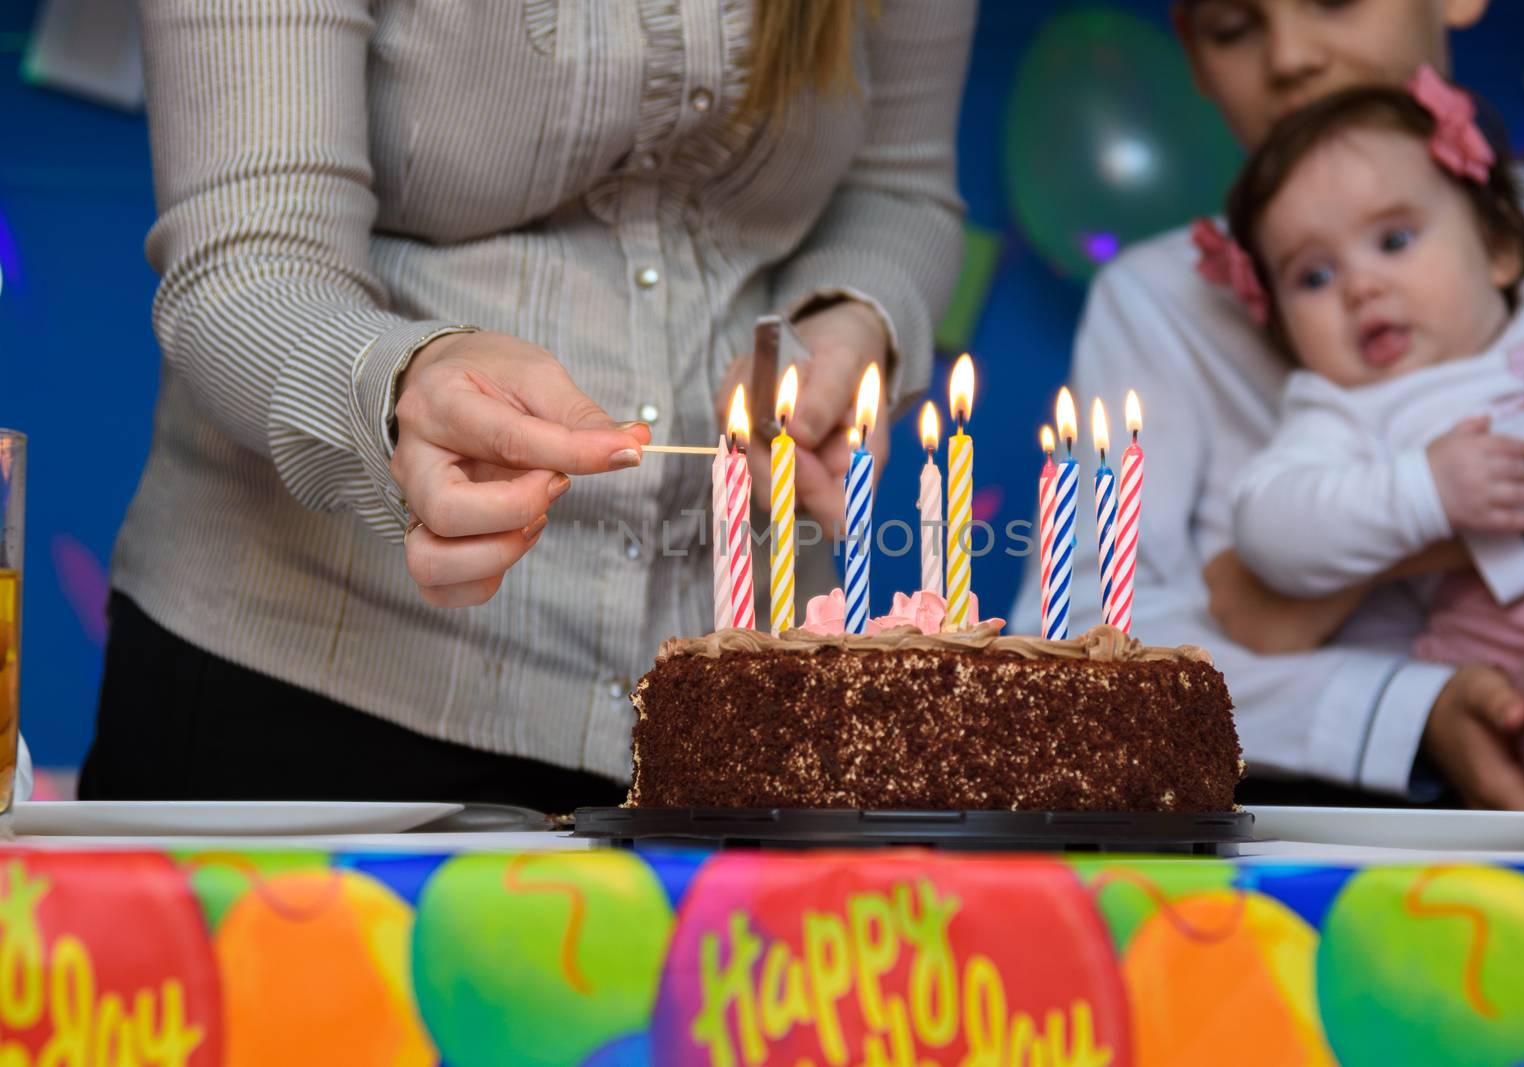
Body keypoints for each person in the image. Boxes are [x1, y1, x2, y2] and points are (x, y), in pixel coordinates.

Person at [79, 1, 974, 809]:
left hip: (742, 729)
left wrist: (850, 322)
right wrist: (398, 388)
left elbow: (897, 188)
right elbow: (246, 268)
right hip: (304, 704)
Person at [1011, 0, 1524, 809]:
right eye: (1231, 28)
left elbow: (1244, 606)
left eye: (1332, 0)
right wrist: (1408, 708)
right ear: (1191, 53)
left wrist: (1276, 595)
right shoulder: (1157, 303)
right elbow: (1077, 643)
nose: (1290, 57)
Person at [1216, 73, 1524, 807]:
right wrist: (1425, 491)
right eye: (1314, 275)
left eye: (1394, 239)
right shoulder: (1346, 408)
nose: (1360, 286)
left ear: (1497, 249)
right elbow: (1270, 526)